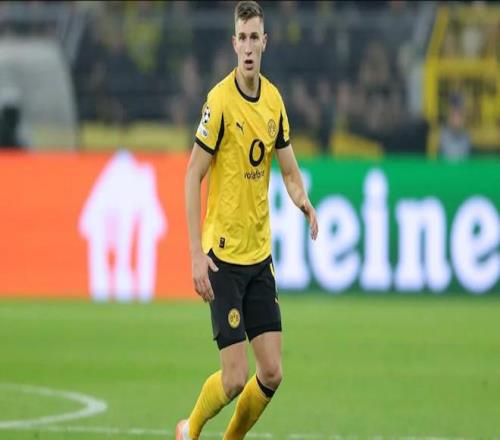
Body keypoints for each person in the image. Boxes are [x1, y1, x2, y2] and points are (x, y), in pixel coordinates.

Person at [179, 2, 318, 440]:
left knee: (272, 373)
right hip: (222, 258)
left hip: (259, 257)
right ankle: (190, 428)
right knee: (235, 378)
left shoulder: (274, 101)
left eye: (255, 37)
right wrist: (196, 254)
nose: (249, 47)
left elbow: (289, 171)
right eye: (242, 38)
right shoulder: (219, 101)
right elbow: (192, 175)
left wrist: (303, 200)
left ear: (265, 42)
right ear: (233, 44)